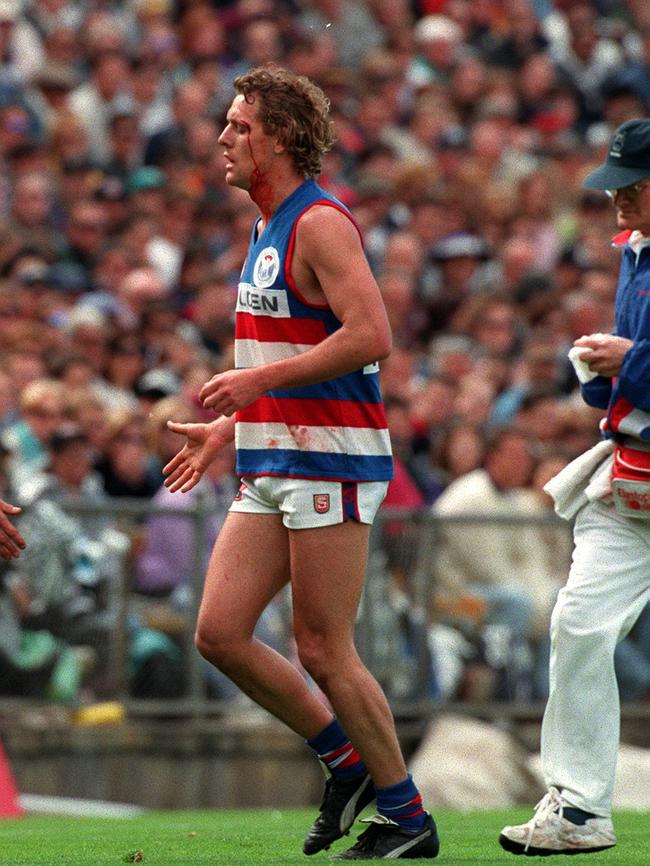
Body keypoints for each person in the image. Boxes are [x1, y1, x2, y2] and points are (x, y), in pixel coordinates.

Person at [163, 65, 439, 861]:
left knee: (323, 646)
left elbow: (370, 335)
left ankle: (408, 816)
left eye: (239, 127)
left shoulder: (320, 222)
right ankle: (341, 757)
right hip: (273, 451)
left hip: (331, 457)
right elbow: (279, 346)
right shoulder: (265, 222)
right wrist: (229, 428)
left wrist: (257, 381)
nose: (222, 138)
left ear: (280, 138)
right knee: (218, 632)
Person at [499, 118, 650, 856]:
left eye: (632, 187)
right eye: (617, 186)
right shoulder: (634, 255)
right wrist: (605, 371)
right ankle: (582, 810)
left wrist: (634, 360)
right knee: (579, 625)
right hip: (631, 479)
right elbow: (630, 380)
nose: (618, 200)